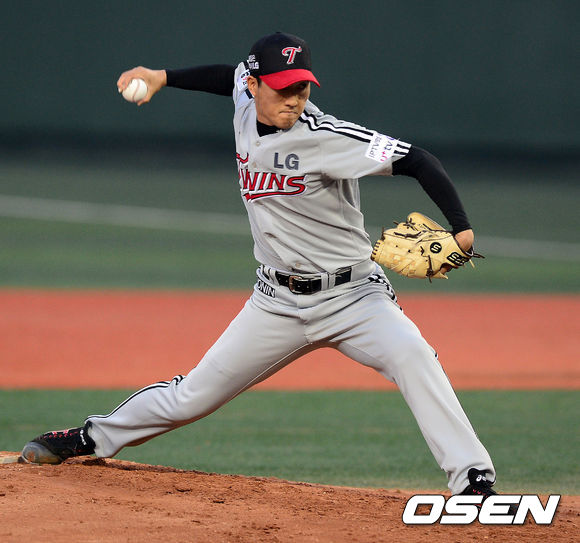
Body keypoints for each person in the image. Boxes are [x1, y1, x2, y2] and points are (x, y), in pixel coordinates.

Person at [22, 32, 500, 499]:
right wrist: (162, 77)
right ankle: (92, 438)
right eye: (282, 87)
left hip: (354, 297)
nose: (294, 98)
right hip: (275, 303)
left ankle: (473, 479)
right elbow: (222, 77)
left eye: (302, 87)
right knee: (194, 395)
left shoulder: (327, 137)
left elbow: (419, 160)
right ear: (253, 85)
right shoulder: (244, 102)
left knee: (414, 357)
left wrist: (461, 229)